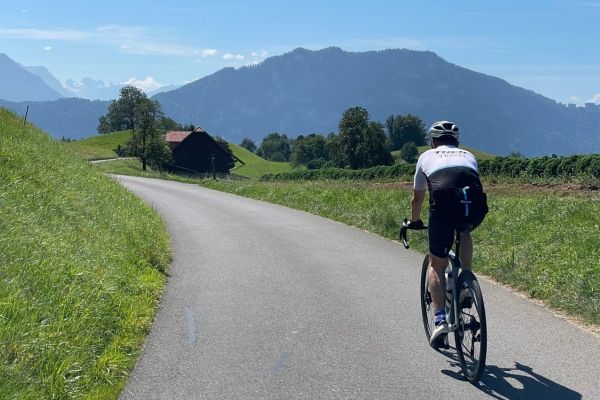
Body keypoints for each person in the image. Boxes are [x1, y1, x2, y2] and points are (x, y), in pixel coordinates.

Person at [408, 121, 488, 347]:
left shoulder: (426, 157)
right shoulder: (469, 155)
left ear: (432, 141)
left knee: (437, 264)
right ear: (457, 141)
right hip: (474, 206)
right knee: (464, 229)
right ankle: (466, 283)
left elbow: (418, 198)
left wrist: (415, 221)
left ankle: (440, 318)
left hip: (443, 205)